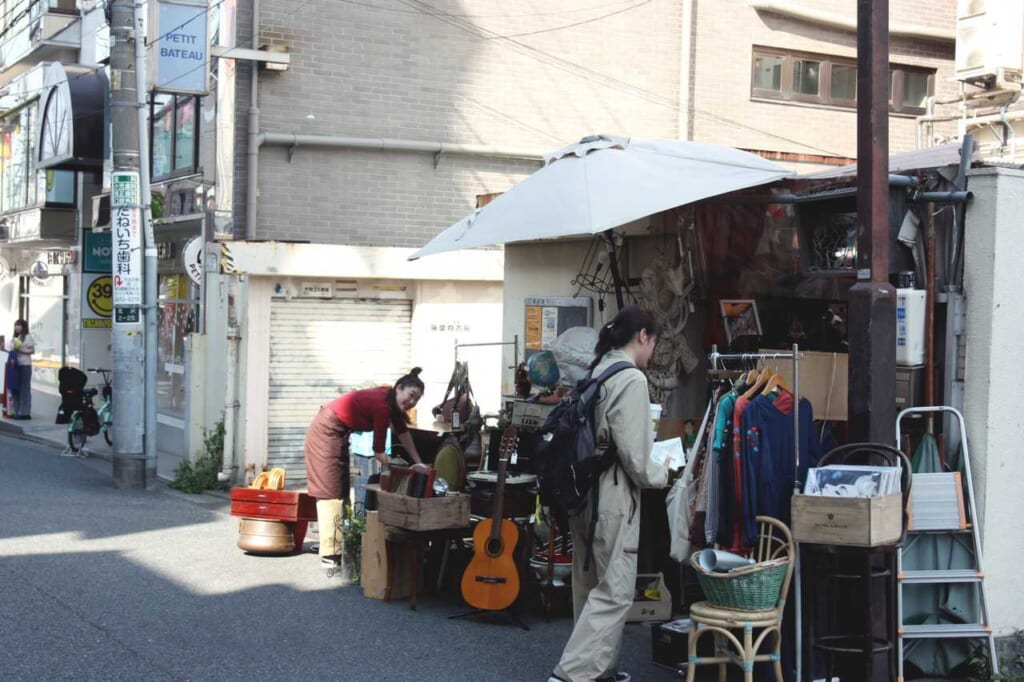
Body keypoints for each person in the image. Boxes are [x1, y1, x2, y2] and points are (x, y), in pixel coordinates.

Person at [550, 306, 670, 682]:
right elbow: (636, 458)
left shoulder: (597, 370)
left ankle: (601, 670)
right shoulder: (631, 380)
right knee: (616, 589)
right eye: (654, 343)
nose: (653, 352)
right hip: (613, 494)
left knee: (588, 585)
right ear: (643, 336)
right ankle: (571, 675)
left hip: (583, 492)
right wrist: (664, 473)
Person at [304, 368, 426, 574]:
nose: (412, 402)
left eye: (417, 400)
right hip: (326, 431)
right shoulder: (383, 407)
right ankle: (330, 553)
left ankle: (342, 542)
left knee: (342, 487)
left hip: (339, 432)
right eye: (411, 395)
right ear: (399, 388)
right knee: (329, 491)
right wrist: (398, 466)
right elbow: (378, 452)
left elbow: (403, 433)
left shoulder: (390, 401)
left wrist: (419, 462)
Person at [4, 319, 35, 420]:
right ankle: (17, 411)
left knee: (24, 388)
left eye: (19, 325)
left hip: (25, 365)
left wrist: (20, 350)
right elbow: (10, 350)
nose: (17, 327)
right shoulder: (14, 338)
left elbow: (32, 350)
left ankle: (25, 412)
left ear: (24, 327)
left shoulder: (27, 337)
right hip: (15, 366)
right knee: (15, 388)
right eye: (15, 325)